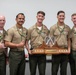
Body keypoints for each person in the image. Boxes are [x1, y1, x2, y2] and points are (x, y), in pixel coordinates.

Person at [26, 11, 49, 75]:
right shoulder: (31, 29)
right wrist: (28, 50)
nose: (40, 17)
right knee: (32, 72)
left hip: (42, 53)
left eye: (42, 16)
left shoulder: (46, 29)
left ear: (44, 18)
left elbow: (48, 41)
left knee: (42, 72)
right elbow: (26, 41)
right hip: (33, 53)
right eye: (39, 16)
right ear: (36, 17)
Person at [49, 10, 71, 75]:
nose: (62, 17)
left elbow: (68, 39)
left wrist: (69, 49)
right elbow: (50, 41)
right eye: (60, 16)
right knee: (54, 71)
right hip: (56, 52)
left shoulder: (67, 28)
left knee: (64, 71)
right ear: (57, 16)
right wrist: (53, 49)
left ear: (64, 17)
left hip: (65, 51)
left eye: (63, 16)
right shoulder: (53, 28)